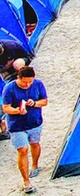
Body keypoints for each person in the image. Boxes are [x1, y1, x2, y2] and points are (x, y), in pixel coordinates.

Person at [2, 66, 48, 194]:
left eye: (30, 82)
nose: (27, 84)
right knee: (22, 150)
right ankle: (26, 181)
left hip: (34, 122)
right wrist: (17, 111)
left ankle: (34, 165)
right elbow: (6, 108)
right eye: (24, 82)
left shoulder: (38, 84)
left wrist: (34, 103)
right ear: (18, 78)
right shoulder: (9, 88)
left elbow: (44, 101)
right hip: (17, 125)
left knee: (35, 144)